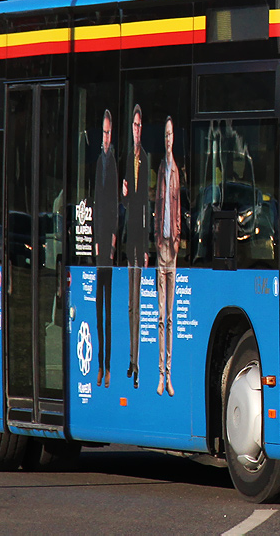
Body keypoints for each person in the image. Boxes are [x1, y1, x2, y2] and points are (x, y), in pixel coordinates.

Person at [121, 104, 149, 389]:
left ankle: (138, 362)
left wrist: (146, 245)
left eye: (140, 125)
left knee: (139, 306)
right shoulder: (128, 157)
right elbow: (128, 203)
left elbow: (146, 204)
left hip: (140, 241)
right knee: (131, 306)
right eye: (134, 125)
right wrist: (124, 194)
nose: (137, 129)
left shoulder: (147, 159)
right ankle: (131, 360)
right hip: (129, 241)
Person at [154, 116, 180, 396]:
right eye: (165, 135)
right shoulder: (162, 168)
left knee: (171, 317)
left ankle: (169, 375)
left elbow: (178, 204)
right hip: (161, 248)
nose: (168, 139)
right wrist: (157, 240)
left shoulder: (176, 171)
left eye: (171, 134)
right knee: (161, 317)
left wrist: (177, 239)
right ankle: (161, 375)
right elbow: (158, 205)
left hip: (173, 249)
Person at [93, 110, 118, 388]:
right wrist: (98, 239)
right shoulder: (99, 162)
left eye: (109, 133)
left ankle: (108, 366)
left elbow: (113, 205)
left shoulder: (113, 164)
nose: (106, 137)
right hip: (99, 240)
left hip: (109, 244)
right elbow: (98, 203)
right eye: (103, 132)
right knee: (98, 308)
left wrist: (111, 240)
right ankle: (99, 364)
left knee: (109, 310)